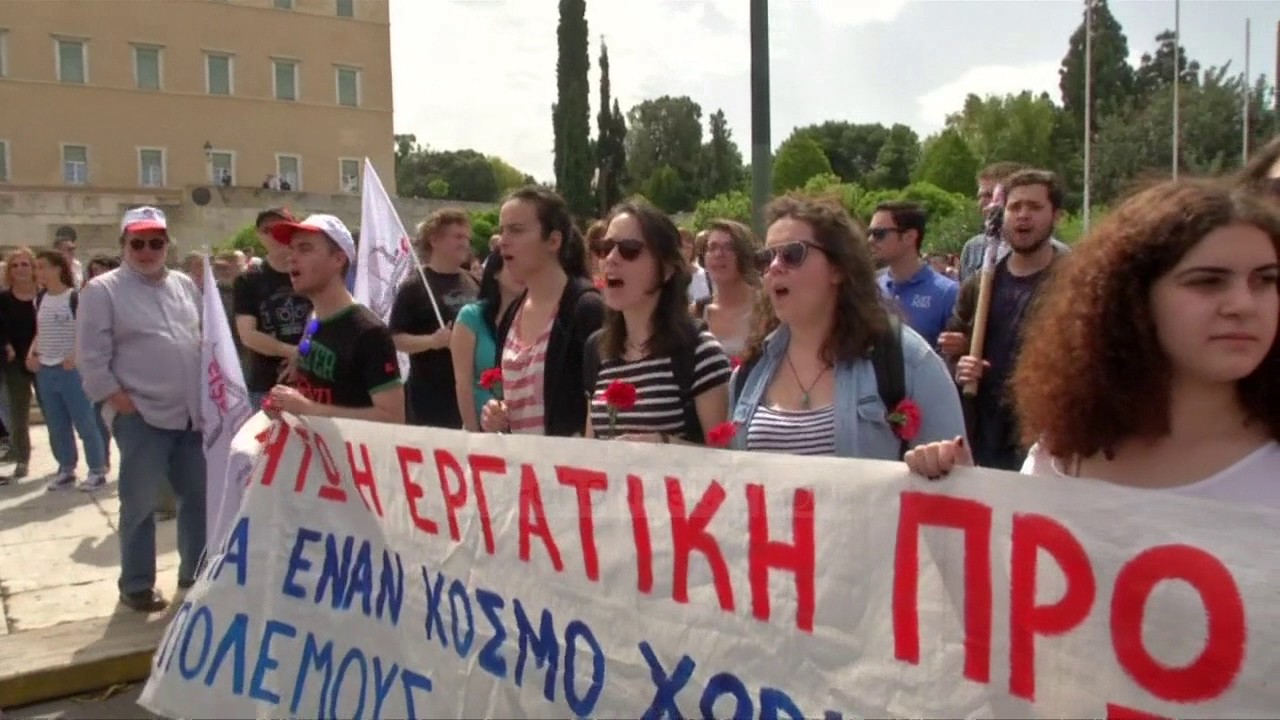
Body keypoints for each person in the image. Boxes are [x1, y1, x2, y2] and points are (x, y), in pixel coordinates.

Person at [905, 179, 1279, 505]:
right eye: (1208, 281)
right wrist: (964, 492)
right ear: (1134, 297)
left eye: (1266, 280)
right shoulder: (1064, 454)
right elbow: (1015, 556)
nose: (1243, 305)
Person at [728, 193, 965, 459]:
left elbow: (958, 472)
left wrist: (939, 463)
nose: (774, 267)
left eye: (792, 254)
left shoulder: (906, 360)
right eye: (765, 258)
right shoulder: (750, 371)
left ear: (838, 269)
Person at [77, 206, 205, 613]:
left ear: (167, 244)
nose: (148, 251)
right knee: (139, 504)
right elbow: (91, 357)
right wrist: (118, 400)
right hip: (141, 416)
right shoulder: (102, 290)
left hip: (190, 415)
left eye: (156, 242)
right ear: (124, 245)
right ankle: (136, 584)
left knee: (197, 499)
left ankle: (196, 575)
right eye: (138, 243)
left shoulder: (184, 285)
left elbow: (202, 338)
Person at [942, 169, 1070, 471]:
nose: (1023, 215)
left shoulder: (1075, 283)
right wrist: (959, 360)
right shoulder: (979, 286)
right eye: (1015, 207)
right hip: (984, 434)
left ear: (1056, 216)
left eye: (1034, 207)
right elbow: (952, 350)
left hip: (1047, 439)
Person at [585, 199, 731, 444]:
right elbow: (590, 448)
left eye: (629, 250)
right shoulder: (597, 349)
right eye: (605, 248)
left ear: (666, 269)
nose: (610, 258)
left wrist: (663, 445)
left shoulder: (700, 352)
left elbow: (724, 456)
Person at [480, 186, 604, 437]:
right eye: (502, 230)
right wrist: (496, 413)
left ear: (553, 241)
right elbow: (512, 400)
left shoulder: (586, 309)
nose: (503, 240)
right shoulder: (511, 315)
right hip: (520, 461)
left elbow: (603, 406)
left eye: (516, 230)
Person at [263, 214, 404, 423]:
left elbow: (393, 418)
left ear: (338, 259)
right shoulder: (314, 317)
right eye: (291, 249)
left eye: (304, 249)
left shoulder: (369, 332)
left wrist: (307, 408)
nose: (291, 257)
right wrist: (285, 403)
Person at [390, 209, 477, 428]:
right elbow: (395, 339)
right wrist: (433, 341)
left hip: (472, 394)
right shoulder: (413, 287)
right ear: (435, 240)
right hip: (429, 400)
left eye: (467, 238)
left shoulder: (475, 283)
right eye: (458, 237)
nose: (465, 243)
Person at [29, 250, 108, 491]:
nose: (39, 272)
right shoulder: (40, 298)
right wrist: (33, 353)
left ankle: (97, 470)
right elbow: (40, 330)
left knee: (85, 422)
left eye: (43, 266)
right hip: (46, 369)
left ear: (57, 269)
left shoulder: (75, 297)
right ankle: (66, 468)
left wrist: (75, 355)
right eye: (37, 267)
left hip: (71, 371)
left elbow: (86, 331)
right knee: (56, 424)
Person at [233, 207, 312, 409]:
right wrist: (291, 352)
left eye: (280, 227)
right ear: (259, 235)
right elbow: (248, 335)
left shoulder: (310, 272)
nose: (274, 235)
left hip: (313, 383)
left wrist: (302, 352)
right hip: (265, 385)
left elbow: (321, 317)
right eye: (267, 230)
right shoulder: (248, 280)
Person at [957, 162, 1070, 283]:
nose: (983, 203)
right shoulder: (973, 249)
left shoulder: (1065, 259)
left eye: (991, 195)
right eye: (980, 196)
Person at [870, 201, 959, 349]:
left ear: (909, 237)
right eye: (870, 233)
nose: (871, 240)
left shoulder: (948, 293)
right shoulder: (872, 288)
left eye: (879, 234)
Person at [449, 253, 523, 431]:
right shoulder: (471, 317)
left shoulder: (533, 317)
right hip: (482, 429)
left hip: (523, 427)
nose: (521, 272)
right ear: (495, 272)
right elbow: (463, 383)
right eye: (512, 264)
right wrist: (473, 433)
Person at [0, 248, 42, 481]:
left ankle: (66, 461)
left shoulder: (44, 296)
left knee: (53, 412)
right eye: (15, 266)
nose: (20, 269)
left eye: (25, 264)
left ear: (34, 268)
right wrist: (6, 345)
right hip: (14, 362)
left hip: (43, 359)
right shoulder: (3, 298)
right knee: (18, 414)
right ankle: (22, 458)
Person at [690, 219, 758, 360]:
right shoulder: (696, 312)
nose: (719, 254)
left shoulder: (767, 308)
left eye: (729, 247)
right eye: (712, 247)